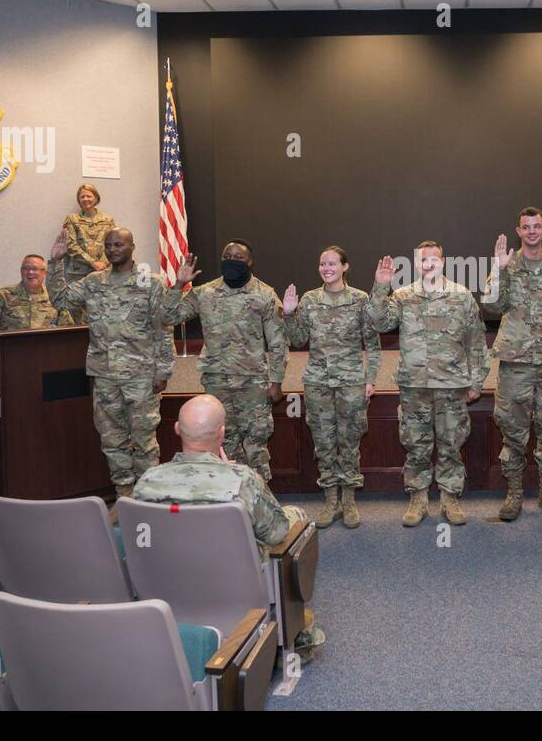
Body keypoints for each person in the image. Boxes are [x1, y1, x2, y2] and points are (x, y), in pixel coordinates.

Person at [132, 395, 323, 655]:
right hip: (236, 584)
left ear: (176, 429)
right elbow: (276, 532)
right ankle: (289, 626)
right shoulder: (241, 481)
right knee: (296, 518)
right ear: (222, 433)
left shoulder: (147, 482)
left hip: (170, 581)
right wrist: (229, 472)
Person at [48, 227, 187, 498]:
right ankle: (124, 495)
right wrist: (55, 263)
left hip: (141, 376)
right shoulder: (93, 281)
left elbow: (163, 327)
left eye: (119, 245)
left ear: (132, 247)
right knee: (112, 440)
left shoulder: (150, 281)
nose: (113, 250)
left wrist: (163, 371)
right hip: (105, 375)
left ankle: (147, 498)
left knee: (144, 441)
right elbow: (61, 300)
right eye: (109, 245)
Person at [367, 242, 487, 527]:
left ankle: (449, 497)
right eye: (423, 260)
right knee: (416, 444)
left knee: (451, 442)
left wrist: (477, 380)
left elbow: (476, 341)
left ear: (443, 262)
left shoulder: (461, 296)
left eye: (434, 259)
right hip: (415, 385)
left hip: (451, 384)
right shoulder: (403, 295)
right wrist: (380, 287)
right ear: (416, 264)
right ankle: (418, 498)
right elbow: (379, 323)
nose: (429, 264)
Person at [161, 239, 287, 488]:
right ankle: (230, 500)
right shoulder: (205, 292)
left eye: (238, 258)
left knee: (256, 444)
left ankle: (260, 498)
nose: (232, 261)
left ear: (250, 262)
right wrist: (179, 284)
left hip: (253, 383)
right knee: (224, 445)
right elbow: (168, 316)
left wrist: (277, 381)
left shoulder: (264, 294)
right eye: (227, 257)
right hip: (216, 382)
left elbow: (278, 342)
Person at [482, 207, 542, 521]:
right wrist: (498, 269)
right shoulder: (508, 265)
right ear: (519, 231)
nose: (532, 231)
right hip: (516, 362)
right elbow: (492, 306)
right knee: (513, 429)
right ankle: (514, 494)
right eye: (526, 227)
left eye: (537, 226)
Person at [282, 245, 381, 529]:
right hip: (318, 382)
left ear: (345, 267)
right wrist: (289, 315)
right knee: (324, 442)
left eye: (332, 264)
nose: (326, 269)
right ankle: (330, 499)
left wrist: (371, 378)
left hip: (351, 381)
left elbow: (372, 346)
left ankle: (348, 500)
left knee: (349, 441)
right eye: (322, 264)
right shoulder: (310, 300)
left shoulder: (361, 300)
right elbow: (299, 339)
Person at [0, 254, 70, 345]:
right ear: (21, 271)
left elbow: (68, 329)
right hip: (9, 357)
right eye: (26, 268)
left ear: (44, 273)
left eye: (35, 269)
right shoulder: (3, 295)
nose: (30, 272)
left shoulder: (55, 298)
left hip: (48, 357)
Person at [59, 184, 116, 321]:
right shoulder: (72, 219)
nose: (85, 199)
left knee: (103, 311)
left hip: (103, 272)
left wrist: (102, 263)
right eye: (82, 196)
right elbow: (70, 244)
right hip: (78, 274)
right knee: (78, 314)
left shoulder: (108, 220)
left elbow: (113, 243)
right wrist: (93, 262)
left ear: (96, 198)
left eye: (89, 196)